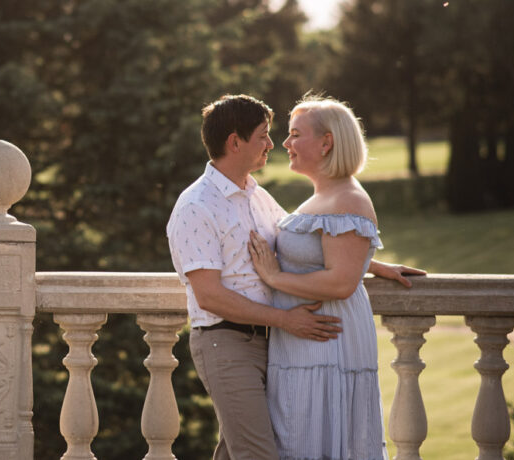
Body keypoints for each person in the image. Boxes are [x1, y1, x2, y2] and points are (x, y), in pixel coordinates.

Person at [167, 94, 418, 460]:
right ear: (235, 143)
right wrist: (285, 319)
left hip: (271, 344)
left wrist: (373, 264)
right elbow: (209, 297)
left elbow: (308, 244)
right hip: (227, 343)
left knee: (238, 450)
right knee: (257, 454)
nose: (274, 144)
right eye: (263, 136)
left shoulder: (256, 195)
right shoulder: (196, 206)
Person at [248, 95, 422, 459]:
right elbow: (328, 252)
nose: (285, 144)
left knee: (318, 433)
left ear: (326, 142)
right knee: (300, 431)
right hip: (302, 338)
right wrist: (373, 264)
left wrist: (274, 277)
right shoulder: (326, 196)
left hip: (327, 339)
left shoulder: (348, 199)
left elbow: (341, 284)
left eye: (296, 135)